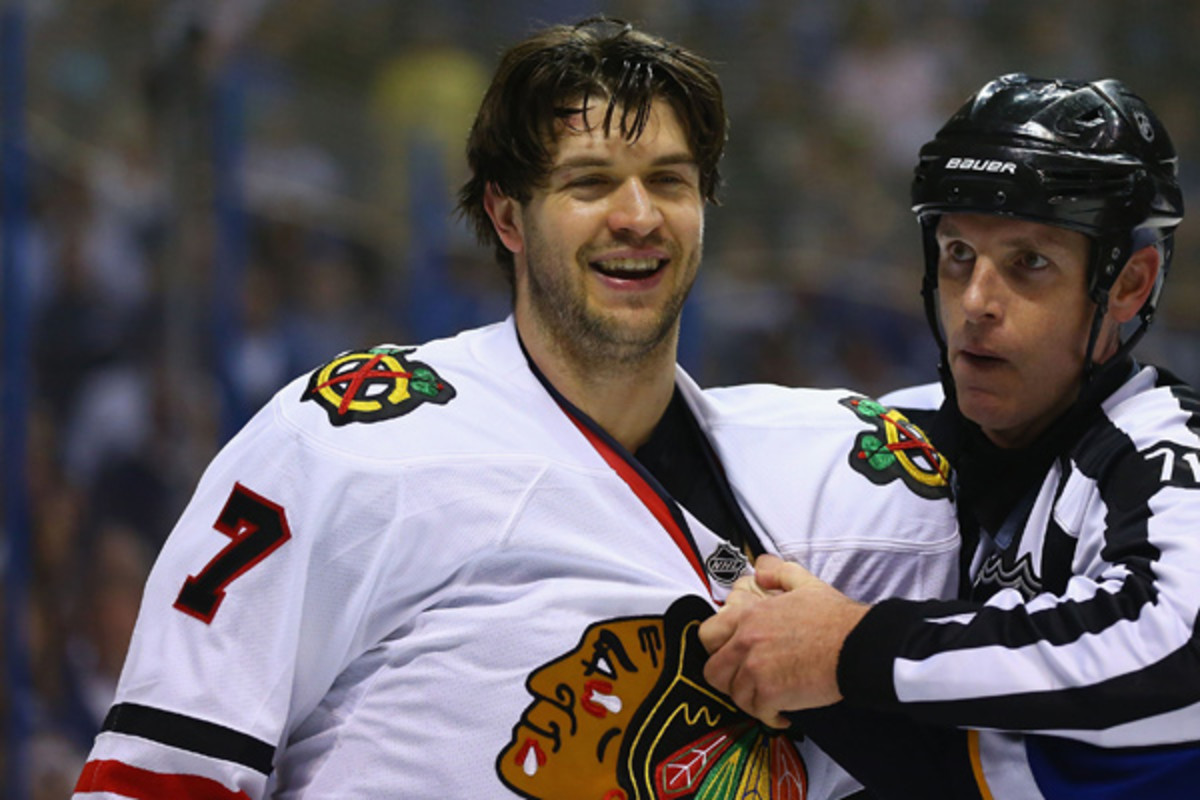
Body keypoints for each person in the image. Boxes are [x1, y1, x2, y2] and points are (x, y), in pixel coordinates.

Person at [72, 17, 959, 799]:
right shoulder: (349, 440)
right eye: (589, 183)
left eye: (671, 180)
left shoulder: (849, 468)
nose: (639, 215)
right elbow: (162, 776)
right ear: (506, 214)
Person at [699, 73, 1200, 798]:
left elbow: (1177, 637)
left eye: (1029, 263)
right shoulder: (901, 427)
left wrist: (849, 647)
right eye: (958, 253)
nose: (976, 302)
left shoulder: (1161, 445)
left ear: (1127, 285)